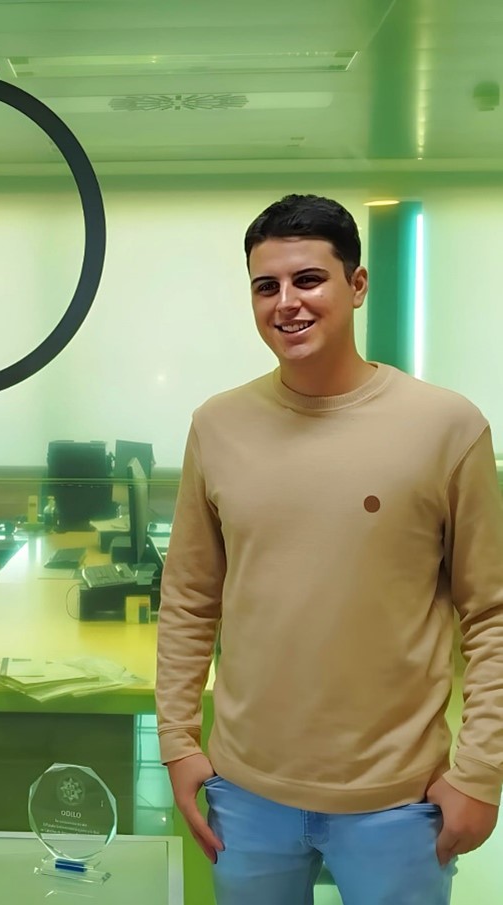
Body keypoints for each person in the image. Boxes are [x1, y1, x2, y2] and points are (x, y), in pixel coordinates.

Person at [155, 194, 503, 905]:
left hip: (397, 800)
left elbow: (491, 614)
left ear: (357, 284)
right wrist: (178, 742)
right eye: (266, 286)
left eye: (308, 279)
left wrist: (480, 771)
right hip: (244, 792)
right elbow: (189, 599)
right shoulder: (216, 425)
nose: (286, 302)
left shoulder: (447, 426)